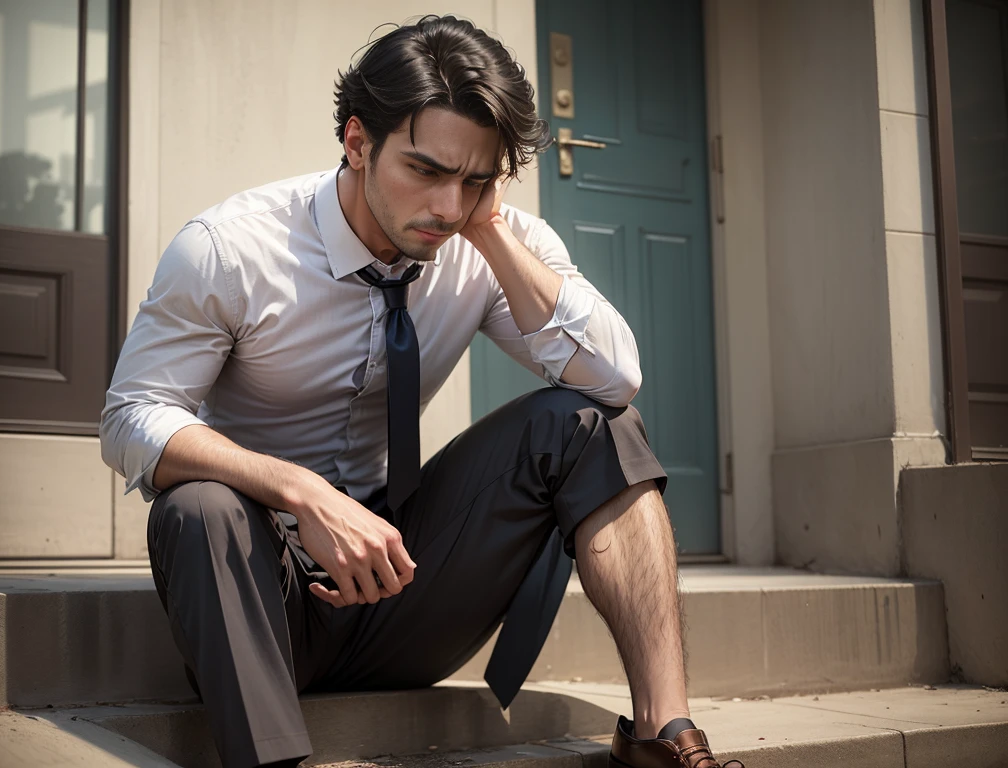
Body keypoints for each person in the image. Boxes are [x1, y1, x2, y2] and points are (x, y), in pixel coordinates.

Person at [100, 15, 743, 768]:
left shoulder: (482, 237)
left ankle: (663, 739)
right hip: (260, 593)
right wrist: (298, 491)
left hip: (403, 583)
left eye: (475, 179)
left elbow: (613, 378)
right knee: (198, 504)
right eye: (427, 171)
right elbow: (130, 416)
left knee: (592, 424)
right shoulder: (231, 249)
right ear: (356, 142)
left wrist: (493, 232)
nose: (447, 205)